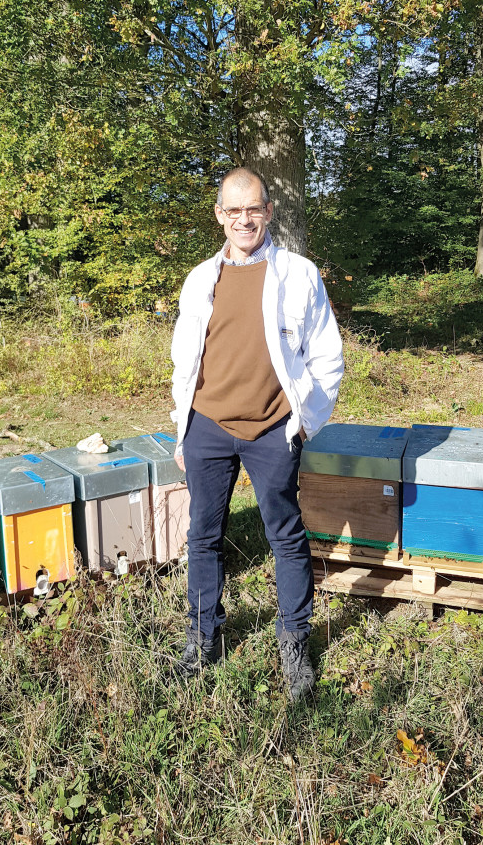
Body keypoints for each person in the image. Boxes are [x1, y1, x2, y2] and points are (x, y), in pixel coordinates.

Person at [170, 167, 344, 700]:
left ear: (269, 212)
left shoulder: (299, 274)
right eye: (233, 210)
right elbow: (184, 358)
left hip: (272, 427)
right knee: (203, 536)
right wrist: (184, 431)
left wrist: (303, 423)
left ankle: (294, 643)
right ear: (220, 215)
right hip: (208, 425)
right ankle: (203, 638)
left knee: (285, 536)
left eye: (254, 209)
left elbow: (327, 356)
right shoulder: (200, 278)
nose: (244, 219)